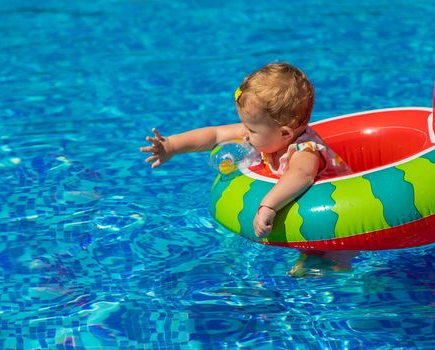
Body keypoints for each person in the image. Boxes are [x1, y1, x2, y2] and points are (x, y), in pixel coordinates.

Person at [140, 62, 351, 238]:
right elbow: (215, 135)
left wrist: (268, 205)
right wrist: (172, 146)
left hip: (335, 213)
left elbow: (301, 175)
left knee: (328, 256)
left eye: (251, 129)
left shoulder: (305, 151)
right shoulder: (268, 133)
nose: (245, 134)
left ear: (285, 133)